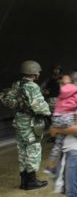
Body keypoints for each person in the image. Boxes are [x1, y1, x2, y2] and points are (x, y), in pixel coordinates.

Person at [13, 60, 51, 190]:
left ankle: (24, 181)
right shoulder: (32, 86)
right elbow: (39, 106)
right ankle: (31, 181)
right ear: (34, 72)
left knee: (22, 150)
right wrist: (49, 113)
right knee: (33, 150)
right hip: (30, 122)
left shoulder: (17, 84)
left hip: (19, 121)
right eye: (38, 71)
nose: (39, 73)